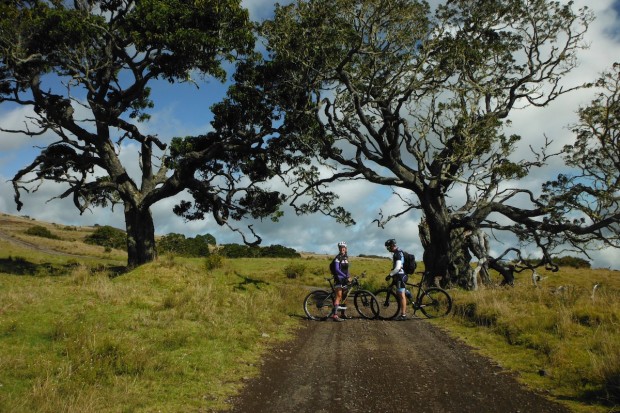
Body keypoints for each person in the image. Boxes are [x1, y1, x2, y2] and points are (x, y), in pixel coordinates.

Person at [384, 238, 408, 320]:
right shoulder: (398, 252)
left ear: (391, 246)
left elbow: (398, 268)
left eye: (388, 247)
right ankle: (408, 294)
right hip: (399, 276)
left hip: (400, 276)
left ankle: (403, 315)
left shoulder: (397, 254)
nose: (388, 249)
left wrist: (390, 275)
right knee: (399, 293)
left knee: (401, 295)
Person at [330, 241, 351, 322]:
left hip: (345, 279)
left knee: (345, 296)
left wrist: (348, 276)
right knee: (339, 296)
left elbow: (347, 269)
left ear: (345, 249)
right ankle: (335, 315)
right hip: (338, 279)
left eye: (343, 247)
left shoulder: (346, 258)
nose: (342, 249)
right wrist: (345, 276)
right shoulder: (337, 258)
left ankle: (343, 314)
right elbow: (337, 269)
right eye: (341, 247)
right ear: (339, 249)